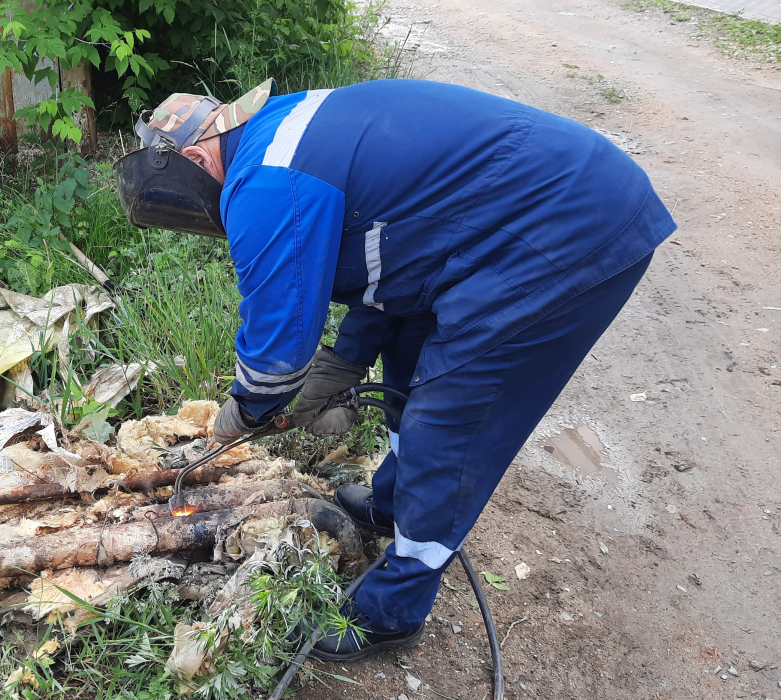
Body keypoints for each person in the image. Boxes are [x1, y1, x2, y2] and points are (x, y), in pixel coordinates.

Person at [115, 78, 675, 661]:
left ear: (198, 156)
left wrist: (248, 411)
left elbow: (275, 351)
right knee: (406, 357)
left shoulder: (267, 179)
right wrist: (348, 357)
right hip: (495, 223)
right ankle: (393, 505)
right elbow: (387, 251)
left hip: (562, 227)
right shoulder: (278, 132)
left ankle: (392, 610)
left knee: (451, 419)